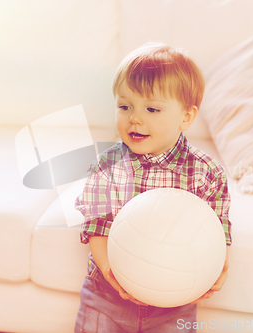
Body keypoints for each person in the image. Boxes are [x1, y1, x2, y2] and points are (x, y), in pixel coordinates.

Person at [74, 42, 232, 333]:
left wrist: (217, 269)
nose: (135, 118)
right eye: (125, 106)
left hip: (173, 302)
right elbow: (97, 228)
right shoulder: (106, 167)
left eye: (152, 108)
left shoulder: (206, 173)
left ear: (186, 116)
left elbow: (217, 232)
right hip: (106, 296)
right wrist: (113, 277)